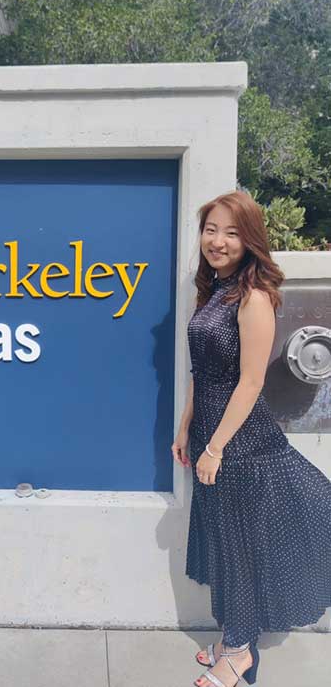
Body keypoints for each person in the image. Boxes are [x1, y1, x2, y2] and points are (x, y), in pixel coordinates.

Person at [171, 190, 331, 687]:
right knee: (225, 542)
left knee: (238, 546)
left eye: (232, 232)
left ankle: (238, 652)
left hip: (240, 444)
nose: (217, 241)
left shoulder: (253, 296)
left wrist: (215, 447)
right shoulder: (214, 291)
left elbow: (251, 381)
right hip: (210, 433)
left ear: (250, 240)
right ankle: (233, 635)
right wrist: (186, 427)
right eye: (211, 229)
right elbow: (203, 371)